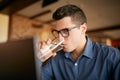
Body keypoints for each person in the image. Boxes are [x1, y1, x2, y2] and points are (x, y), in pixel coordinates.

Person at [39, 4, 120, 80]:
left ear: (83, 28)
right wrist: (40, 60)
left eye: (65, 31)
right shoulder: (53, 58)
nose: (60, 39)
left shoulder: (112, 56)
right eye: (58, 32)